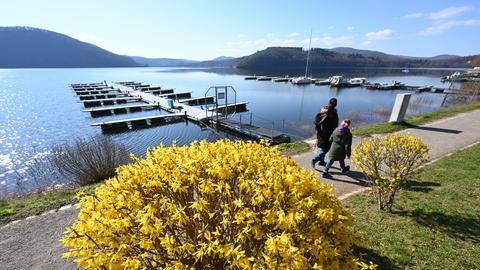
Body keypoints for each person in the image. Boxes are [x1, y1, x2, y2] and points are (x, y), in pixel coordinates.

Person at [311, 98, 339, 168]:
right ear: (336, 105)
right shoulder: (334, 114)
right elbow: (335, 126)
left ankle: (321, 162)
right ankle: (315, 160)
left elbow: (316, 123)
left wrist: (319, 131)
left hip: (320, 134)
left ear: (328, 102)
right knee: (325, 149)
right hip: (328, 135)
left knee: (323, 148)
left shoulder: (321, 112)